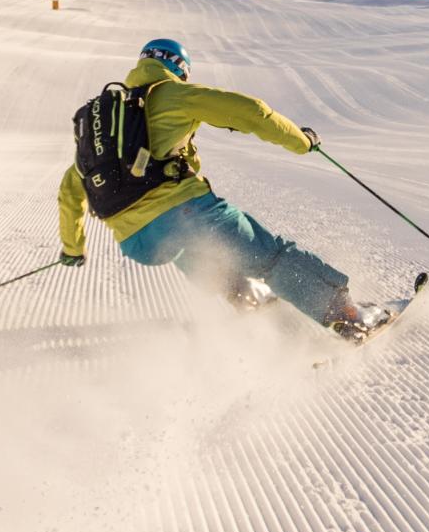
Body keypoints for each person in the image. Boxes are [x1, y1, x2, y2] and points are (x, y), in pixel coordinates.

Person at [55, 38, 384, 338]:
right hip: (183, 212)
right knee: (270, 257)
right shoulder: (172, 94)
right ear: (178, 69)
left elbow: (70, 190)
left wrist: (73, 249)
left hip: (136, 243)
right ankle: (350, 317)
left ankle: (255, 307)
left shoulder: (111, 124)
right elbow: (250, 111)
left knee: (200, 255)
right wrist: (301, 141)